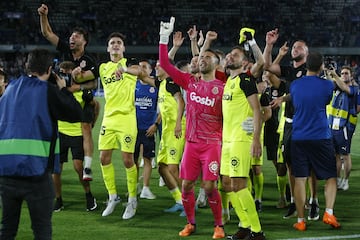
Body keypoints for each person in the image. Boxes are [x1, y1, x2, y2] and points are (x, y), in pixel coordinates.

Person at [0, 48, 83, 240]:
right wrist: (63, 88)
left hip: (6, 173)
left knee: (7, 230)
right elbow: (75, 114)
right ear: (50, 69)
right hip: (35, 174)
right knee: (41, 230)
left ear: (27, 66)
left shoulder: (10, 88)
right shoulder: (47, 92)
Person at [159, 17, 225, 239]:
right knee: (186, 185)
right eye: (201, 56)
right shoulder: (190, 82)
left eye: (208, 57)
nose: (203, 59)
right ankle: (191, 223)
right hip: (192, 144)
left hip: (213, 145)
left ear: (217, 64)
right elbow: (166, 65)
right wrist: (163, 39)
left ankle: (219, 225)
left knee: (208, 187)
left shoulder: (223, 87)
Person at [38, 4, 99, 181]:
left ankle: (87, 168)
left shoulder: (90, 60)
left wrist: (75, 81)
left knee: (86, 128)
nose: (72, 38)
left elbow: (92, 81)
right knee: (53, 130)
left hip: (82, 100)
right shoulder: (65, 50)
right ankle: (50, 165)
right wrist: (44, 16)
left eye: (76, 36)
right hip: (63, 98)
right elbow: (47, 33)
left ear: (84, 41)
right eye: (71, 36)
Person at [263, 29, 319, 221]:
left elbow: (303, 93)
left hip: (306, 123)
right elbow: (268, 68)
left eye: (299, 47)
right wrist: (272, 47)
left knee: (309, 165)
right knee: (290, 165)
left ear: (307, 51)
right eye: (294, 46)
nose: (295, 48)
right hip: (289, 124)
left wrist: (282, 99)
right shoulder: (288, 70)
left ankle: (313, 201)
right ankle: (296, 202)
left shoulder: (311, 71)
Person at [221, 29, 266, 240]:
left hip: (241, 139)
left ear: (244, 63)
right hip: (227, 141)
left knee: (239, 185)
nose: (231, 56)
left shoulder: (245, 80)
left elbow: (257, 109)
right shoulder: (228, 82)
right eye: (230, 54)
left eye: (236, 55)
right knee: (227, 184)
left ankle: (257, 232)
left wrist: (256, 138)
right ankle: (245, 225)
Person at [290, 51, 341, 231]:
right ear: (321, 67)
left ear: (306, 65)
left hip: (299, 137)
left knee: (300, 179)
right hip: (320, 136)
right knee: (330, 176)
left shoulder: (295, 85)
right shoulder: (327, 85)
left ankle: (301, 221)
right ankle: (328, 212)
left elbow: (295, 102)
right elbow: (327, 100)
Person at [98, 32, 140, 219]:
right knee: (104, 158)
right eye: (112, 43)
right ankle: (113, 197)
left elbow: (140, 72)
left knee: (127, 160)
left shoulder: (130, 63)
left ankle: (132, 200)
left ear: (123, 48)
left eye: (119, 43)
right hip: (109, 118)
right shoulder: (103, 68)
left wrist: (125, 70)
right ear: (108, 48)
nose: (115, 45)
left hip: (127, 118)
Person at [53, 61, 97, 212]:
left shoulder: (82, 92)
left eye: (66, 70)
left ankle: (88, 195)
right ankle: (58, 199)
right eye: (61, 71)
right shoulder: (57, 90)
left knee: (78, 167)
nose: (63, 73)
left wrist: (92, 123)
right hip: (60, 133)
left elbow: (96, 105)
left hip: (77, 134)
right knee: (56, 170)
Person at [327, 66, 358, 191]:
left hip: (345, 127)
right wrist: (327, 72)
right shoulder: (338, 86)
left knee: (345, 155)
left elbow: (345, 88)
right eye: (342, 73)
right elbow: (331, 84)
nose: (344, 75)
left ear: (351, 76)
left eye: (346, 73)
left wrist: (334, 75)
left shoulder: (354, 89)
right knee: (335, 155)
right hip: (333, 126)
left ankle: (345, 181)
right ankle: (338, 179)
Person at [134, 59, 158, 200]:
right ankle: (135, 186)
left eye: (144, 67)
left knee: (147, 159)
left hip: (148, 129)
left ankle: (146, 188)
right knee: (133, 160)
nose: (141, 69)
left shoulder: (155, 87)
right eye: (139, 67)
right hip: (134, 129)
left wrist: (155, 124)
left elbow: (162, 108)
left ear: (150, 71)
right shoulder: (133, 85)